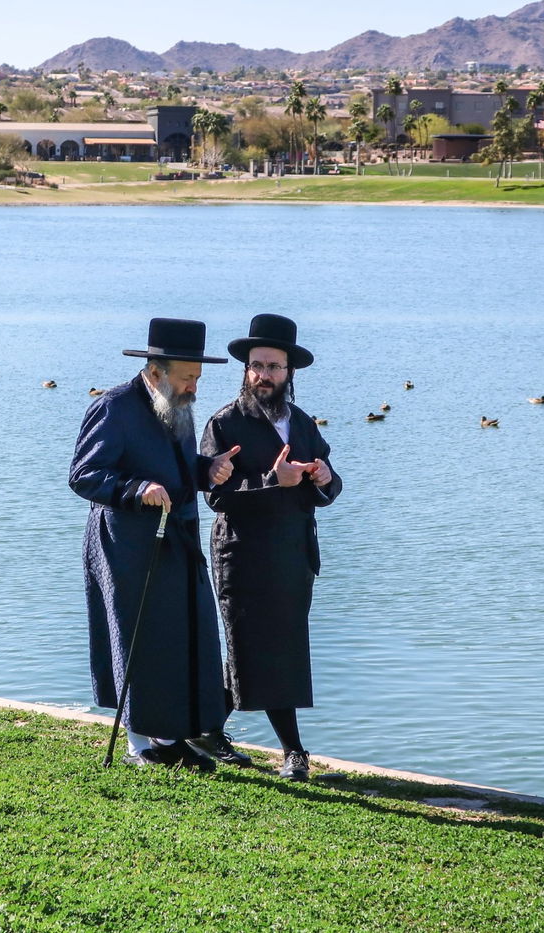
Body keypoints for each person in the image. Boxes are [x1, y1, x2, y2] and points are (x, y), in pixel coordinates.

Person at [70, 318, 240, 770]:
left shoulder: (176, 406)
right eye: (188, 377)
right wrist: (137, 489)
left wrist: (207, 470)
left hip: (176, 539)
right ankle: (138, 744)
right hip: (126, 544)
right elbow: (84, 475)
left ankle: (169, 735)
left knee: (183, 636)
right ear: (155, 372)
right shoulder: (115, 407)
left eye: (198, 378)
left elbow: (177, 468)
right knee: (137, 638)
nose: (194, 387)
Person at [195, 313, 342, 781]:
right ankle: (293, 752)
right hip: (242, 553)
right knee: (258, 645)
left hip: (295, 555)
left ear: (289, 373)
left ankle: (206, 729)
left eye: (273, 367)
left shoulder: (301, 424)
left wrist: (323, 478)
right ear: (245, 370)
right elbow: (216, 497)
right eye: (256, 365)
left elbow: (332, 485)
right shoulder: (225, 424)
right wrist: (270, 482)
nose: (264, 374)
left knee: (275, 646)